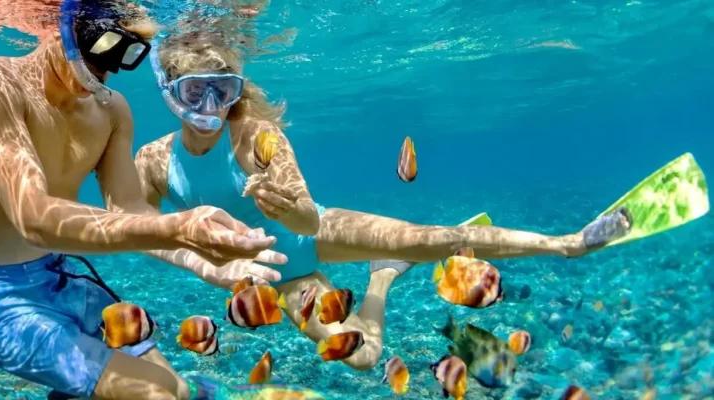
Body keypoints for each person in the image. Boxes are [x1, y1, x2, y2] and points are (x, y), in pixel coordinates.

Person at [135, 32, 631, 370]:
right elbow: (136, 229)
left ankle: (568, 243)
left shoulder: (256, 136)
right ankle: (382, 276)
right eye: (195, 93)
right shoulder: (154, 160)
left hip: (317, 232)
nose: (211, 108)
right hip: (282, 279)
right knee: (363, 357)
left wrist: (285, 206)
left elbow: (306, 219)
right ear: (169, 94)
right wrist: (202, 262)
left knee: (437, 239)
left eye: (223, 92)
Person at [0, 1, 284, 399]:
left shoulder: (111, 110)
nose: (106, 70)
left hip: (64, 276)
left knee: (178, 390)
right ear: (63, 26)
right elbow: (31, 215)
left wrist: (202, 261)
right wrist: (178, 228)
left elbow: (130, 211)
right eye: (102, 46)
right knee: (152, 393)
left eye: (126, 54)